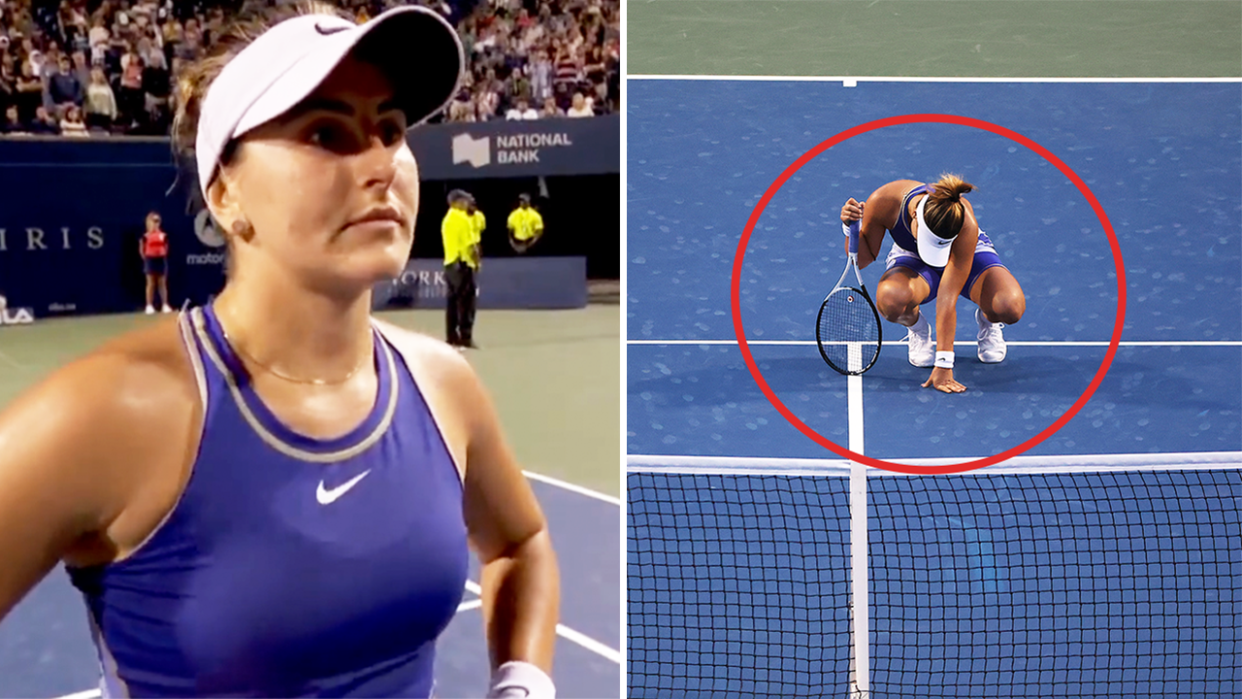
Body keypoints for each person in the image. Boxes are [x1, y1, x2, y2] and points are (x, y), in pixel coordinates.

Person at [0, 3, 559, 698]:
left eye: (389, 129)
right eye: (326, 133)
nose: (382, 163)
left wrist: (523, 681)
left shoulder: (443, 383)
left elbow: (521, 544)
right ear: (227, 194)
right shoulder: (110, 409)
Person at [840, 174, 1025, 393]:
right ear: (915, 218)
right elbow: (861, 260)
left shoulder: (965, 222)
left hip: (965, 255)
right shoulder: (885, 201)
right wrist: (850, 228)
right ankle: (918, 331)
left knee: (1009, 307)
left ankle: (988, 322)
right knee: (892, 300)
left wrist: (944, 363)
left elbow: (948, 299)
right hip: (913, 258)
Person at [443, 189, 480, 349]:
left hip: (449, 264)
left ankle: (451, 336)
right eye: (464, 201)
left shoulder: (446, 219)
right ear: (457, 202)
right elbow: (471, 246)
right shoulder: (462, 219)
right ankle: (466, 337)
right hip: (463, 264)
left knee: (452, 303)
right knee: (467, 303)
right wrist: (477, 262)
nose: (467, 204)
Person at [139, 210, 172, 313]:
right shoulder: (145, 236)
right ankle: (149, 306)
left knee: (162, 283)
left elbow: (166, 247)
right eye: (154, 221)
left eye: (158, 221)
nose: (156, 223)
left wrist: (161, 254)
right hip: (150, 260)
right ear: (149, 222)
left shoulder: (163, 235)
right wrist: (147, 258)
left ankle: (165, 305)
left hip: (161, 260)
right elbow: (141, 249)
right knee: (151, 283)